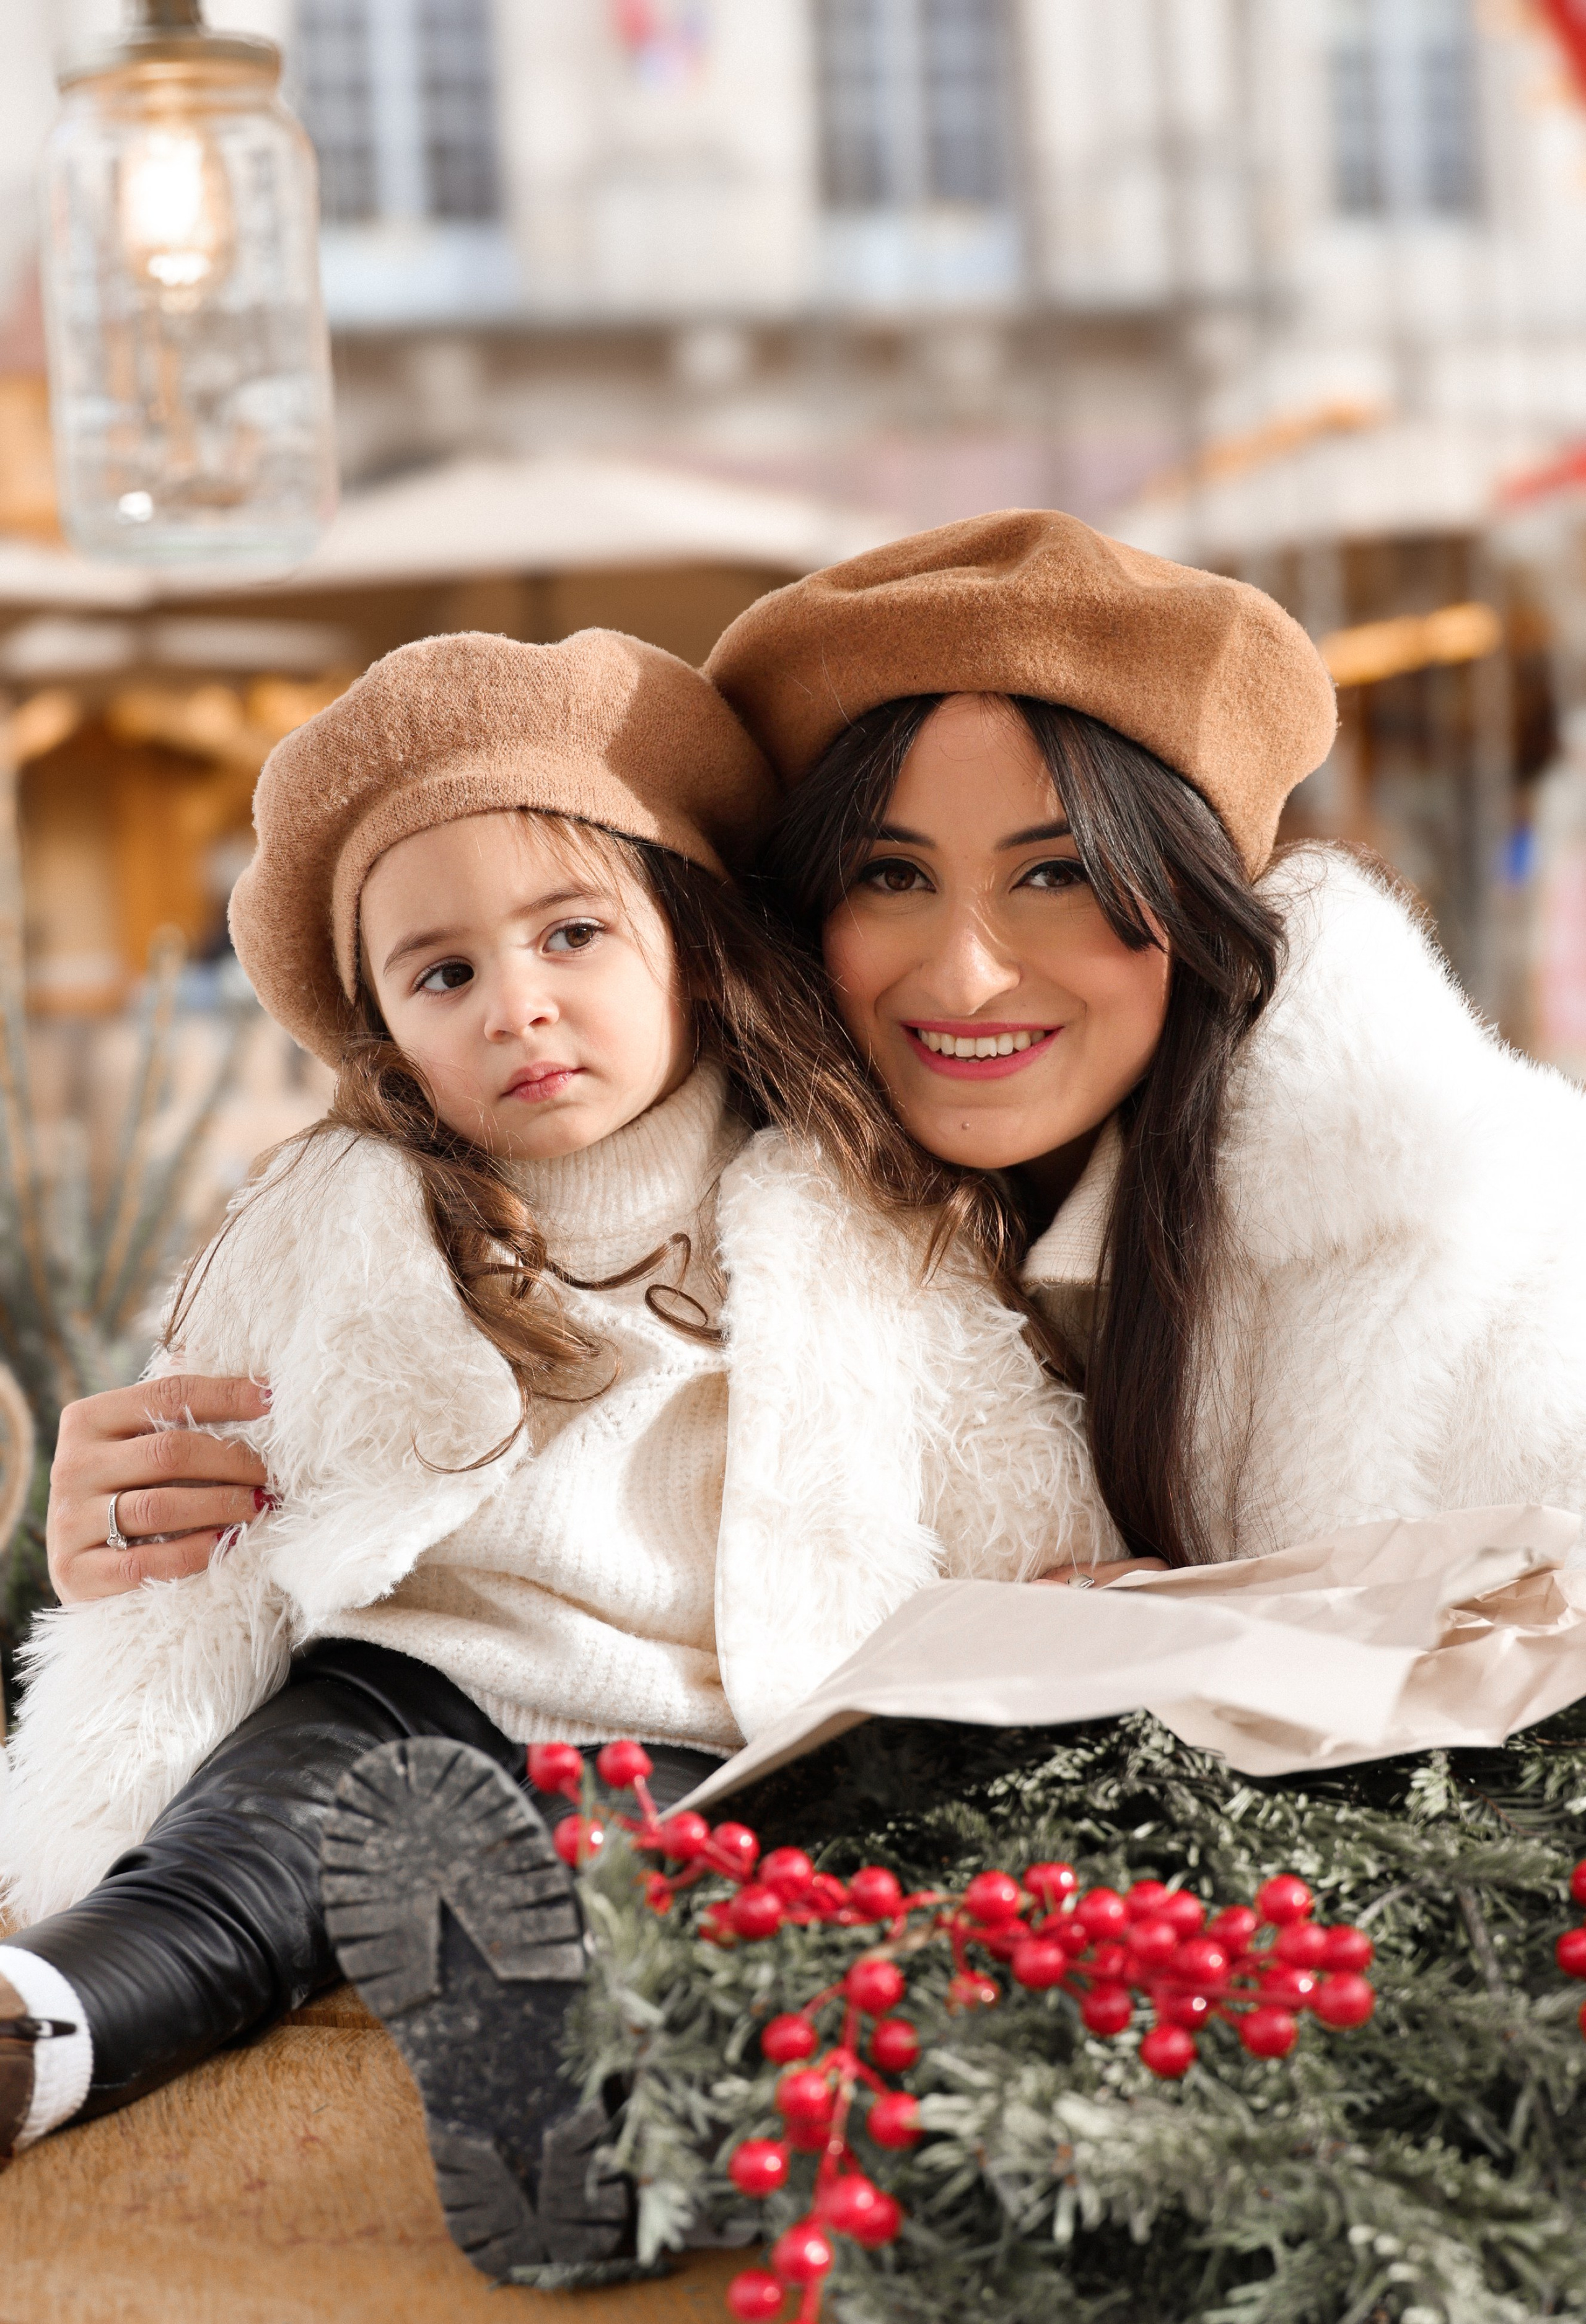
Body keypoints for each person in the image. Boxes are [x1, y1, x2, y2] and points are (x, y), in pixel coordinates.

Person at [0, 629, 1101, 2273]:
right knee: (228, 1871)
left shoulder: (851, 1209)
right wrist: (132, 1669)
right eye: (441, 976)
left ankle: (593, 2159)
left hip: (698, 1735)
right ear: (388, 1031)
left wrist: (1078, 1607)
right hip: (404, 1689)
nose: (517, 1005)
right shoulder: (346, 1215)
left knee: (678, 1936)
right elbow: (209, 1482)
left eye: (572, 933)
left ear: (692, 939)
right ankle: (44, 2031)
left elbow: (990, 1452)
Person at [706, 508, 1586, 1571]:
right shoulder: (724, 1225)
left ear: (1200, 901)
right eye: (891, 876)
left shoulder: (1487, 1240)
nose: (965, 977)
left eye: (1056, 875)